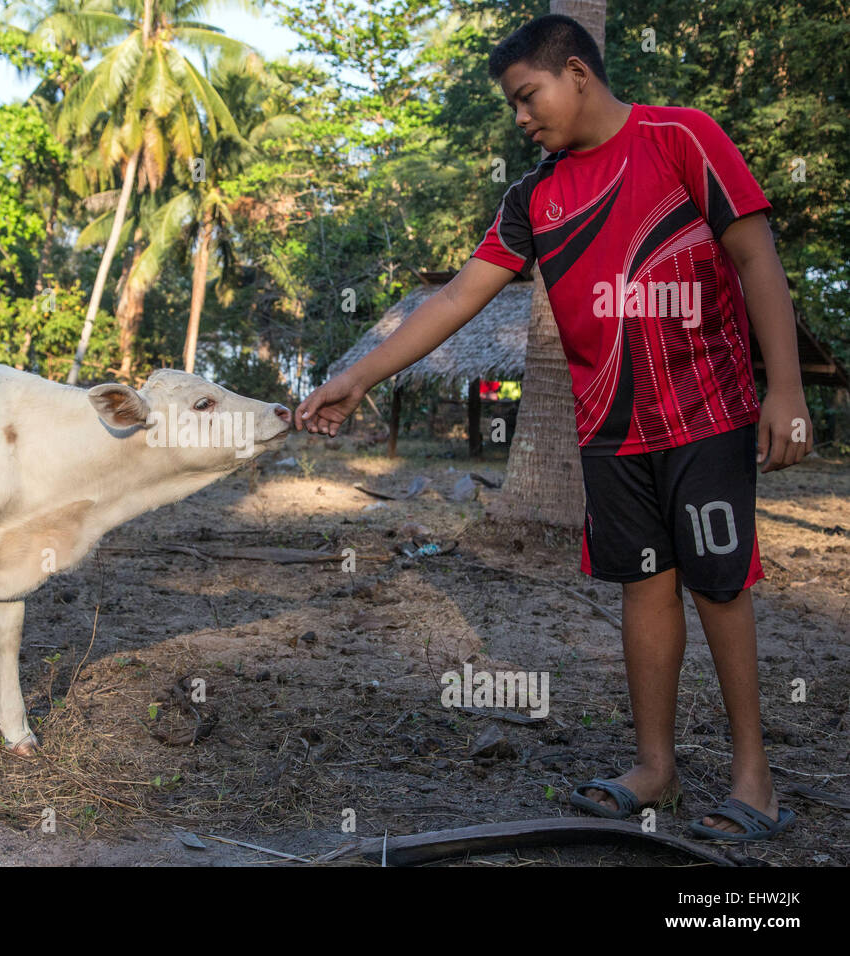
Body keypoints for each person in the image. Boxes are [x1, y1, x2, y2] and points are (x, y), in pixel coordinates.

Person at [294, 14, 811, 842]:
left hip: (706, 410)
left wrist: (784, 389)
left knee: (718, 583)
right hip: (610, 425)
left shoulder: (684, 139)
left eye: (526, 96)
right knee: (642, 583)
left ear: (576, 72)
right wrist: (354, 378)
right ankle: (656, 768)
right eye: (512, 106)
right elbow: (460, 297)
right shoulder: (535, 195)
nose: (523, 117)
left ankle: (756, 780)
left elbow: (756, 257)